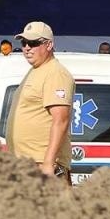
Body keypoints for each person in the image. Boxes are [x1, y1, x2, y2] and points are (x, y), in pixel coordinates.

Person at [6, 21, 75, 183]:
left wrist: (48, 163)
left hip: (42, 167)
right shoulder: (36, 70)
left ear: (49, 45)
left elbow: (61, 120)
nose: (27, 48)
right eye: (24, 43)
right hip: (25, 164)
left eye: (34, 43)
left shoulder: (55, 73)